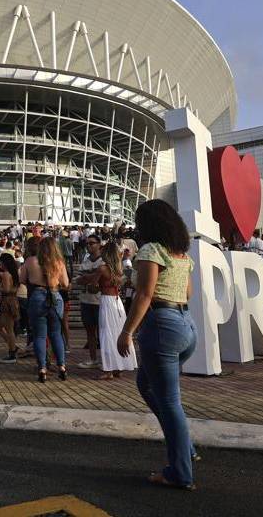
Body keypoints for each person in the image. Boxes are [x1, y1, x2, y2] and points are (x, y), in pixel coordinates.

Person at [117, 199, 198, 491]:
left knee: (169, 402)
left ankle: (180, 472)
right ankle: (184, 448)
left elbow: (144, 295)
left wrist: (126, 331)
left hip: (162, 325)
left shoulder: (151, 250)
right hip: (186, 324)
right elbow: (187, 291)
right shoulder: (182, 255)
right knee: (147, 385)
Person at [82, 242, 136, 379]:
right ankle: (119, 367)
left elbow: (93, 287)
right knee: (118, 332)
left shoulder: (102, 269)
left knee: (106, 333)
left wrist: (89, 283)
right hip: (117, 302)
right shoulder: (119, 269)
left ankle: (108, 370)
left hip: (106, 301)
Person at [21, 237, 69, 383]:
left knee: (40, 336)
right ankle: (62, 366)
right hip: (55, 296)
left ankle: (42, 369)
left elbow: (23, 280)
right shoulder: (59, 263)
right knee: (56, 334)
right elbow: (66, 283)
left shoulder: (30, 261)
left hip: (37, 296)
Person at [76, 235, 103, 369]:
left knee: (103, 332)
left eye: (92, 243)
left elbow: (103, 276)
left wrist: (89, 277)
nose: (89, 246)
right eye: (87, 244)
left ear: (99, 244)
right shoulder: (85, 260)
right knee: (90, 332)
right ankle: (93, 359)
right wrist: (93, 276)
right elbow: (79, 279)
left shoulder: (104, 261)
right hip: (86, 300)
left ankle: (105, 359)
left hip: (100, 302)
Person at [0, 253, 20, 364]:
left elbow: (6, 289)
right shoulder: (13, 273)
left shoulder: (5, 274)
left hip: (7, 302)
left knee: (9, 329)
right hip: (11, 301)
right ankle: (12, 345)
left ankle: (12, 352)